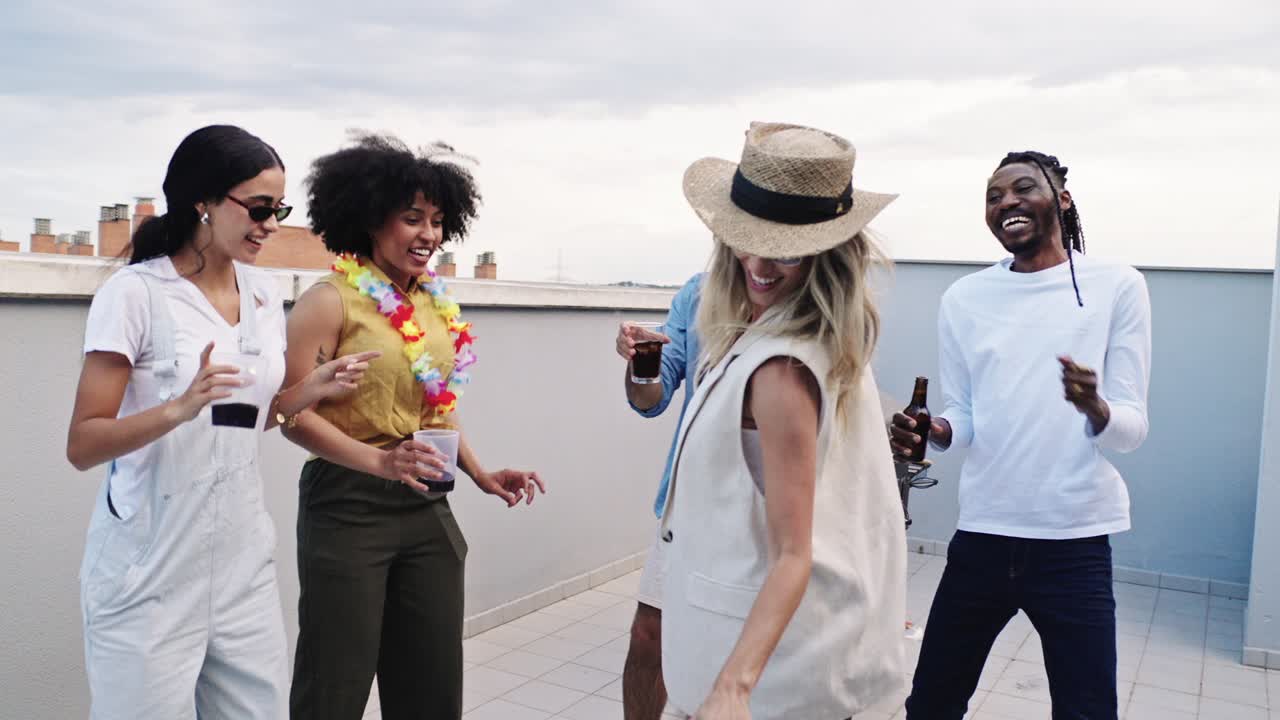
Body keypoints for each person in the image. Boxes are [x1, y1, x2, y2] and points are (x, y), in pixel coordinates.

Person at [67, 124, 377, 719]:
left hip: (240, 567)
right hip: (148, 572)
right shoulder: (136, 295)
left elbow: (244, 419)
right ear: (203, 201)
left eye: (279, 209)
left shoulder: (262, 295)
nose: (272, 224)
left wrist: (304, 391)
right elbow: (83, 444)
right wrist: (177, 408)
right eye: (259, 208)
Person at [282, 133, 546, 720]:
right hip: (347, 505)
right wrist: (380, 462)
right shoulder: (330, 302)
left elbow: (437, 412)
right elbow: (290, 415)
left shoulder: (432, 305)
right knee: (334, 680)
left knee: (430, 683)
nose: (428, 234)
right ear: (371, 219)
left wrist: (479, 474)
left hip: (426, 503)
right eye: (411, 218)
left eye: (437, 220)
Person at [660, 121, 907, 719]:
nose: (761, 265)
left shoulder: (779, 370)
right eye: (748, 239)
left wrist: (733, 687)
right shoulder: (829, 340)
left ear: (828, 254)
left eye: (787, 250)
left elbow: (794, 552)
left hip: (766, 673)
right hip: (805, 655)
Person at [895, 151, 1152, 720]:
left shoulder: (1117, 286)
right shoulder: (964, 298)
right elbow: (962, 417)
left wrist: (1096, 407)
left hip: (1074, 544)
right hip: (983, 536)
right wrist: (931, 430)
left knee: (1086, 711)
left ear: (1060, 199)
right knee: (932, 704)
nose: (1006, 202)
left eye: (1022, 188)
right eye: (993, 196)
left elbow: (1131, 429)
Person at [615, 270, 702, 720]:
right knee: (649, 637)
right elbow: (651, 398)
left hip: (772, 507)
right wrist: (639, 360)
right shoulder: (700, 291)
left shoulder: (816, 299)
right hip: (688, 500)